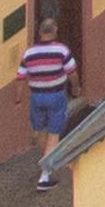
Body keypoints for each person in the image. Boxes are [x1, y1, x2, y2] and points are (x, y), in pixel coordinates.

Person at [18, 26, 80, 187]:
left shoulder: (29, 53)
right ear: (55, 32)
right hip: (56, 95)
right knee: (54, 131)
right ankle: (45, 174)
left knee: (40, 130)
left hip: (36, 96)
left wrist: (18, 97)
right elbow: (72, 73)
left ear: (40, 33)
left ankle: (48, 158)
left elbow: (21, 76)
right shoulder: (61, 50)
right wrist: (75, 87)